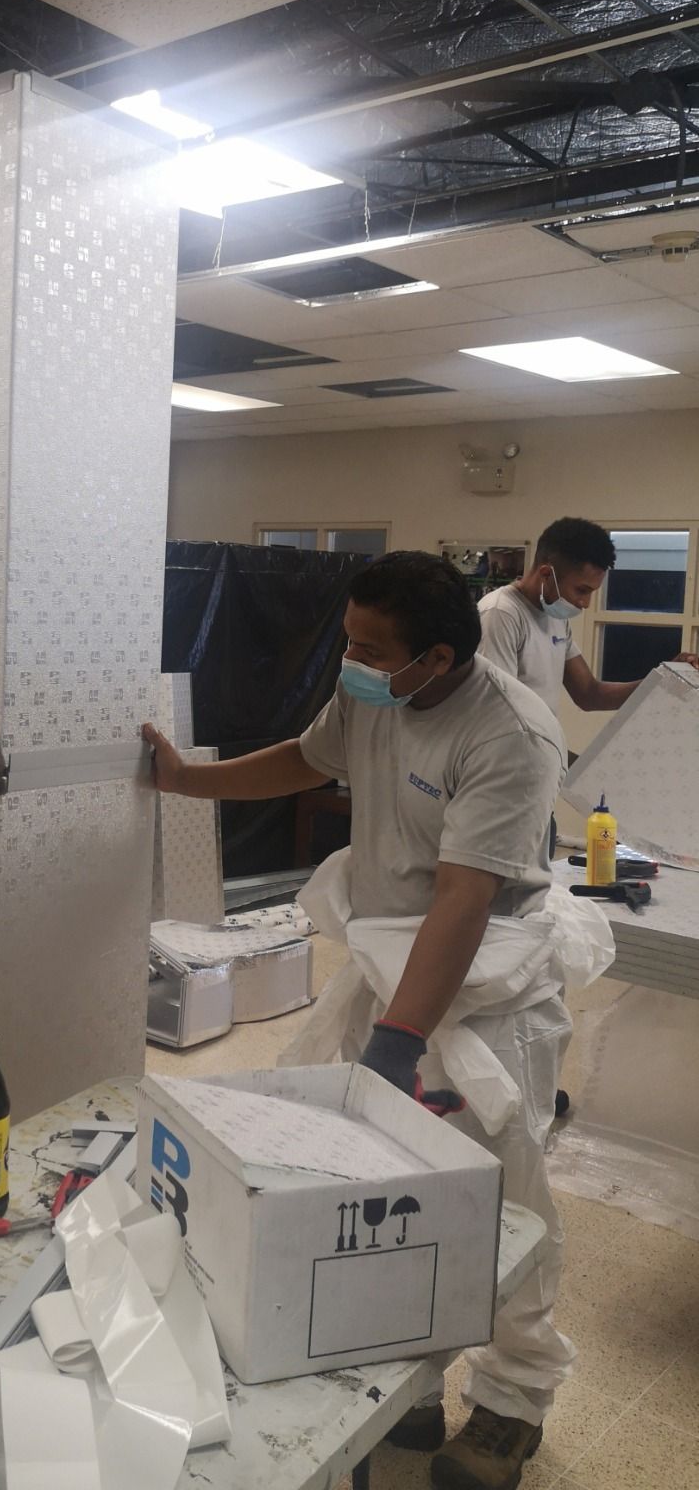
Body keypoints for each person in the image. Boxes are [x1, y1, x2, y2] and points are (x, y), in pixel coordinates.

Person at [143, 552, 612, 1490]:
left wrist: (399, 1045)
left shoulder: (510, 733)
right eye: (347, 639)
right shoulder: (374, 693)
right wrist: (185, 783)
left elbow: (464, 897)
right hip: (389, 962)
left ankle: (511, 1403)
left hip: (481, 988)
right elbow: (301, 759)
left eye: (366, 647)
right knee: (385, 1191)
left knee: (496, 1204)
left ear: (435, 658)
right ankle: (413, 1375)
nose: (347, 658)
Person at [478, 517, 699, 717]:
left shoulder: (556, 617)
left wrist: (662, 679)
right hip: (510, 757)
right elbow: (496, 712)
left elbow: (589, 694)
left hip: (542, 751)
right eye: (582, 590)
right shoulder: (501, 613)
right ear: (546, 574)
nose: (585, 603)